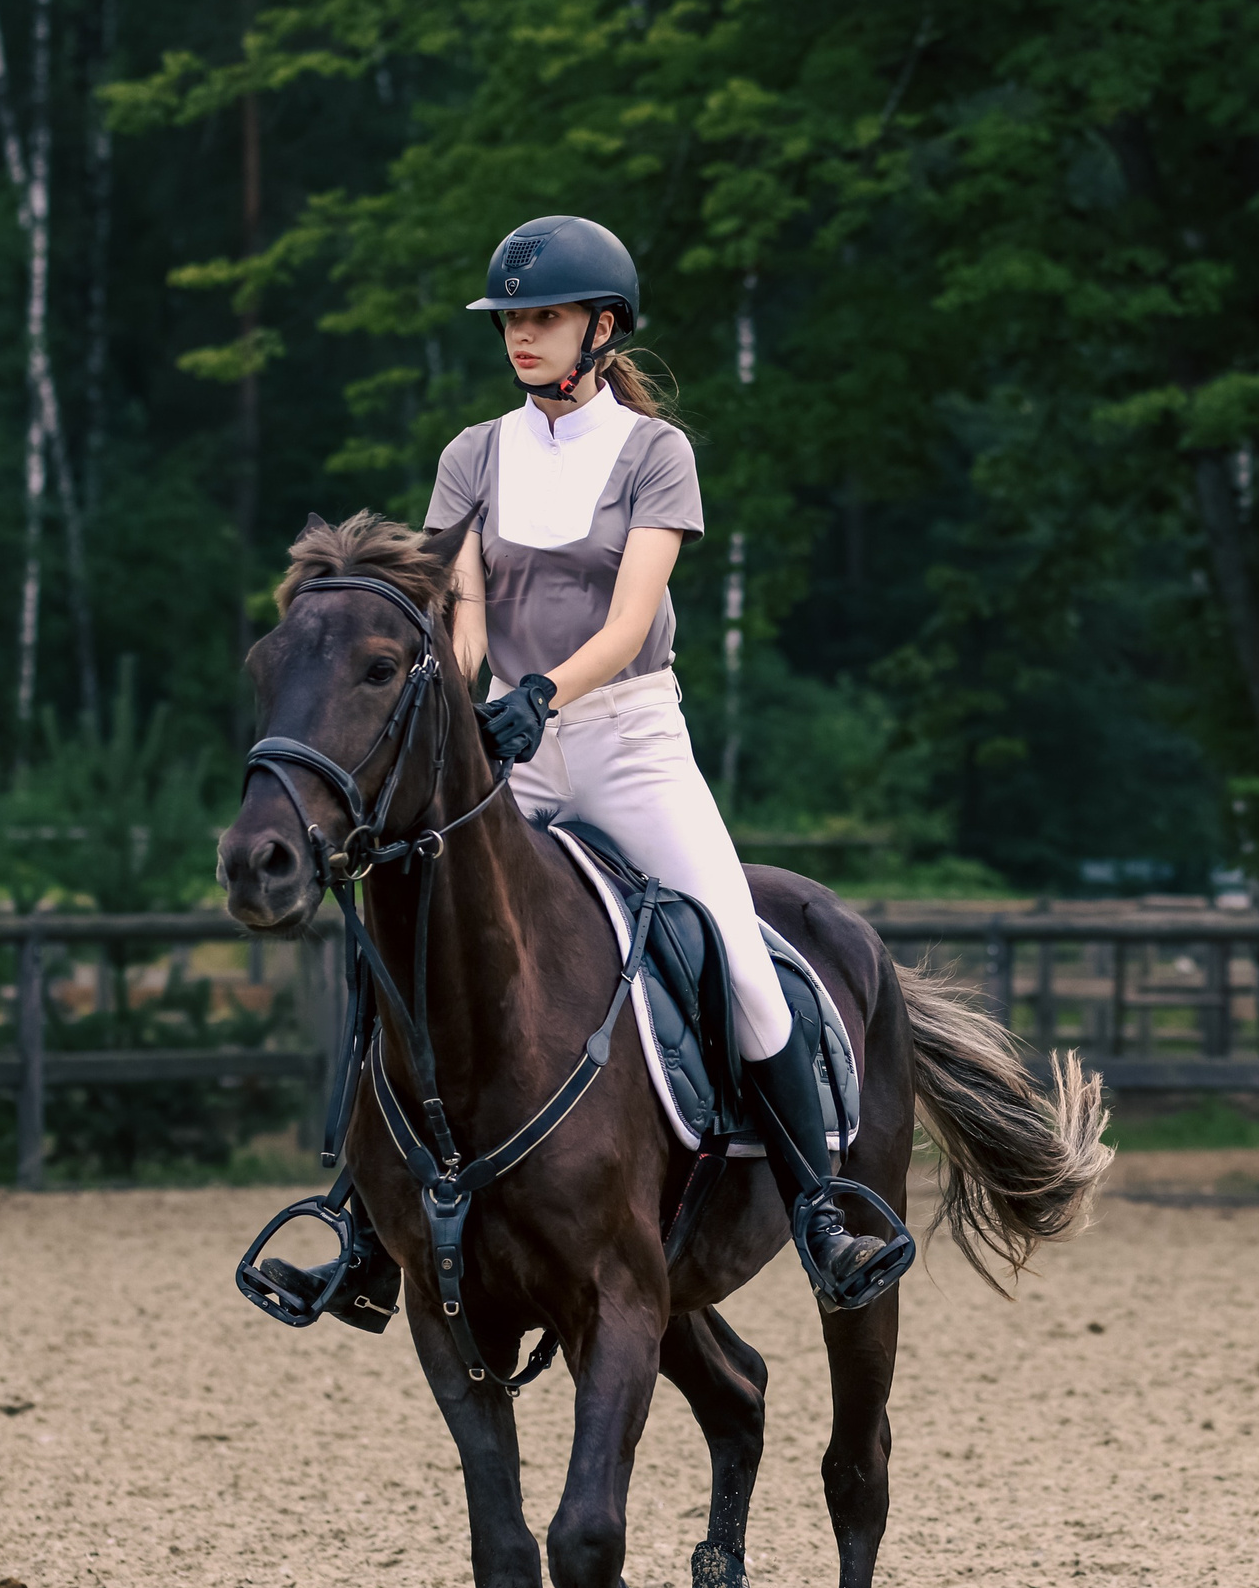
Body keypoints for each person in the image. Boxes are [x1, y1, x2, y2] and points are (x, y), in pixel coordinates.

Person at [282, 213, 896, 1321]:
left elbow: (629, 617)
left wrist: (542, 696)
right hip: (505, 750)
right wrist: (471, 702)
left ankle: (823, 1213)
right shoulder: (473, 453)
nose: (522, 336)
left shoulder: (655, 454)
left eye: (544, 317)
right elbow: (458, 615)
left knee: (739, 958)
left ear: (601, 329)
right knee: (404, 949)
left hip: (625, 743)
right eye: (511, 319)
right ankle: (361, 1227)